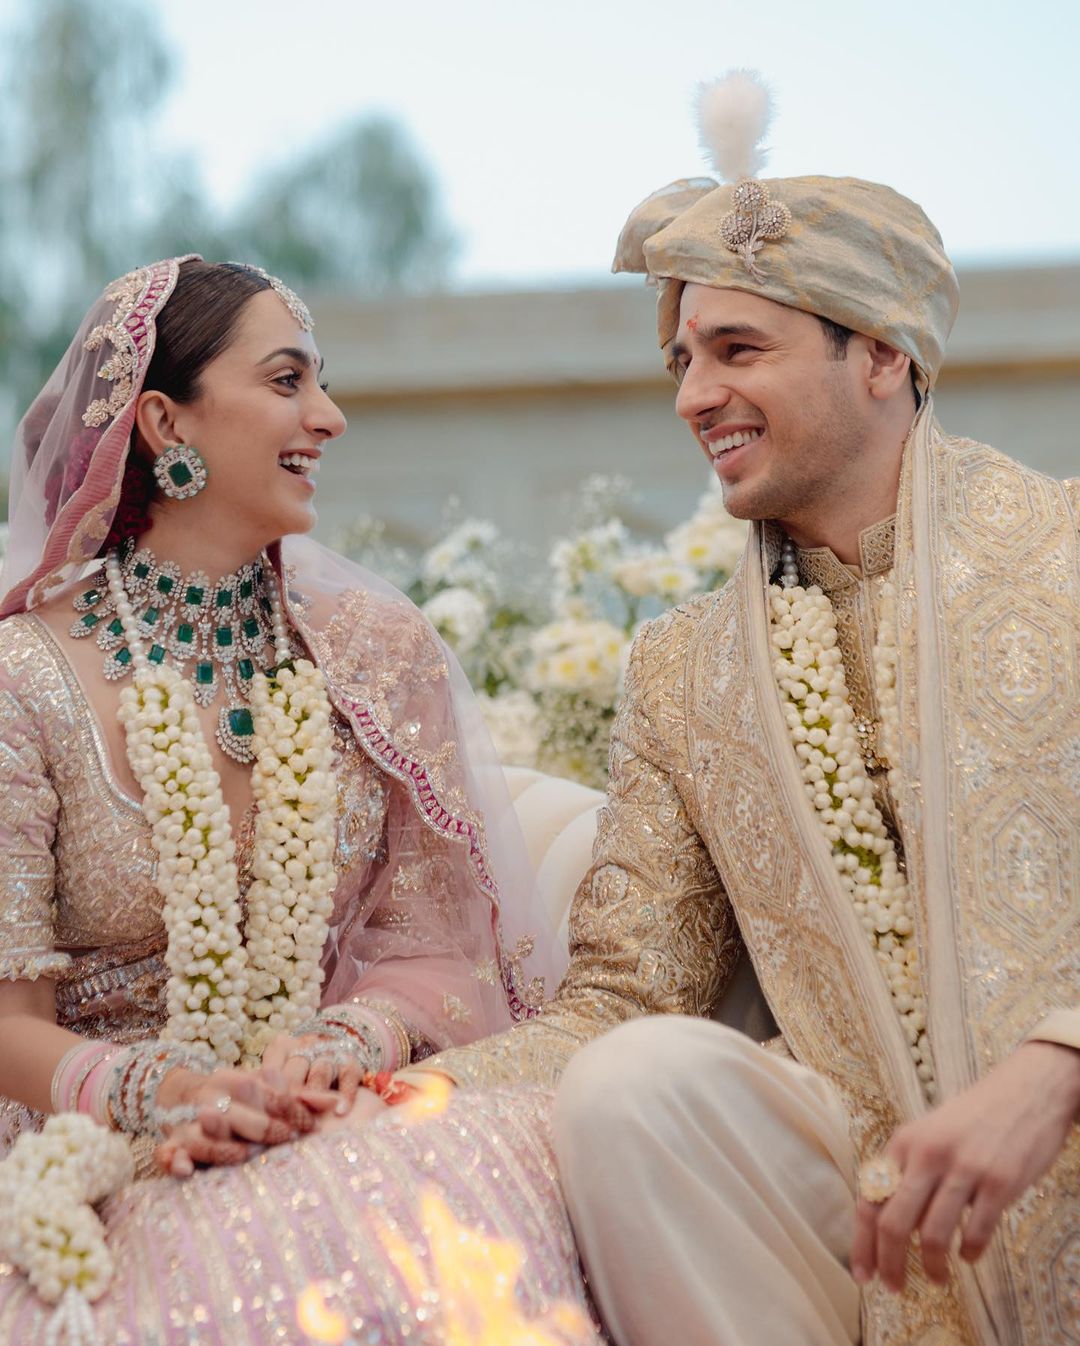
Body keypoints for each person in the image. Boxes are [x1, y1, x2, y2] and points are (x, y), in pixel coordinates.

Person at [414, 75, 1080, 1344]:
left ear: (881, 353)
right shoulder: (686, 667)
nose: (691, 396)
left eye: (737, 349)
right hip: (865, 1191)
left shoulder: (1066, 550)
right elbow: (624, 995)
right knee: (635, 1083)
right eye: (682, 360)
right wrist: (397, 1092)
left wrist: (1056, 1063)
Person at [0, 257, 603, 1344]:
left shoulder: (373, 654)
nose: (328, 416)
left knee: (449, 1188)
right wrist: (168, 1091)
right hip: (83, 1136)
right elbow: (7, 1024)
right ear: (163, 423)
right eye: (287, 381)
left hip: (323, 1111)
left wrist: (343, 1039)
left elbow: (438, 947)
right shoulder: (23, 678)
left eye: (321, 382)